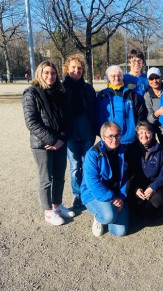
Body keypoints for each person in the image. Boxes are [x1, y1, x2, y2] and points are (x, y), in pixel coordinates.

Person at [22, 60, 74, 226]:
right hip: (42, 144)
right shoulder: (31, 93)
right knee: (46, 178)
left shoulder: (60, 92)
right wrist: (51, 140)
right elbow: (32, 122)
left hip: (60, 142)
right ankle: (48, 211)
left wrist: (61, 140)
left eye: (53, 73)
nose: (50, 76)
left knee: (59, 176)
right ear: (40, 74)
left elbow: (67, 118)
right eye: (46, 73)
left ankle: (57, 206)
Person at [80, 121, 129, 237]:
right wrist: (112, 199)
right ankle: (99, 217)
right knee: (108, 216)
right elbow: (93, 183)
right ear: (102, 137)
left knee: (119, 232)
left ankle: (111, 213)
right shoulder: (93, 154)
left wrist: (121, 197)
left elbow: (127, 178)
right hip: (94, 195)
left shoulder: (124, 151)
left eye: (117, 135)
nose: (114, 139)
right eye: (110, 136)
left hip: (117, 194)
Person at [62, 54, 97, 209]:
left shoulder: (88, 89)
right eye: (73, 67)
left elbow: (94, 109)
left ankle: (87, 192)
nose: (76, 70)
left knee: (87, 164)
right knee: (75, 166)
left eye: (79, 68)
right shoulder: (61, 88)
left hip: (87, 132)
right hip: (70, 134)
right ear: (67, 69)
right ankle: (77, 195)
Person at [96, 65, 147, 147]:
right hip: (108, 140)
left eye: (119, 75)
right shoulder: (102, 95)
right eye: (113, 76)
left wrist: (136, 131)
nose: (117, 78)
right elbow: (96, 115)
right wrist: (100, 132)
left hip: (128, 140)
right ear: (108, 78)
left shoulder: (131, 94)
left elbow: (140, 114)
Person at [126, 121, 163, 218]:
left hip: (155, 184)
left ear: (152, 134)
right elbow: (129, 173)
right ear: (137, 135)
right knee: (136, 209)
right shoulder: (132, 150)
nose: (144, 135)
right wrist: (136, 188)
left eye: (147, 132)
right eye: (140, 133)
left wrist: (153, 187)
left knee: (157, 202)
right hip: (138, 184)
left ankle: (156, 210)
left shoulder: (161, 150)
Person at [143, 67, 163, 146]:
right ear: (148, 80)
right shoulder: (147, 95)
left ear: (161, 78)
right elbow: (150, 119)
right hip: (160, 130)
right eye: (151, 78)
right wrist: (157, 113)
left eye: (157, 78)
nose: (154, 81)